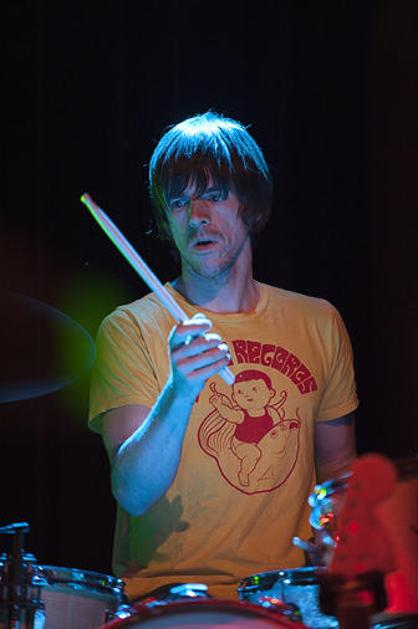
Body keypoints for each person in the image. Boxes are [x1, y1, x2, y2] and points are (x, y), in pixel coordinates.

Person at [88, 111, 358, 601]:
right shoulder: (130, 328)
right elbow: (133, 492)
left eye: (213, 196)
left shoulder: (319, 322)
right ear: (166, 221)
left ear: (251, 206)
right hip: (170, 600)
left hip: (286, 600)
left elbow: (339, 473)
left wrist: (340, 547)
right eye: (179, 202)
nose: (197, 216)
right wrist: (180, 391)